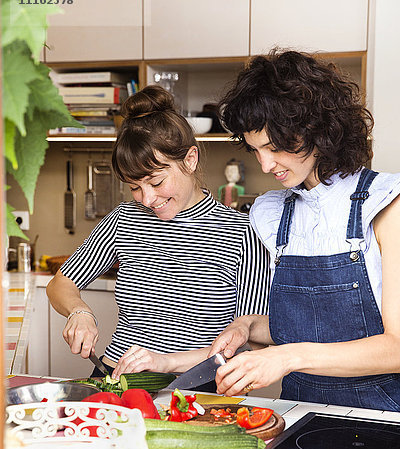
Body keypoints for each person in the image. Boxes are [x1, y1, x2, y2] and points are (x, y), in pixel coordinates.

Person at [208, 49, 400, 411]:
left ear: (317, 130)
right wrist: (247, 327)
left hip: (381, 420)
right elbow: (305, 326)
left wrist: (286, 358)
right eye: (255, 150)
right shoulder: (272, 215)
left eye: (274, 147)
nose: (265, 164)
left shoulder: (385, 203)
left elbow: (397, 348)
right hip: (298, 413)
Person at [46, 85, 270, 383]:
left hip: (196, 388)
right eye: (135, 187)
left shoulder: (243, 233)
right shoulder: (123, 220)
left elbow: (249, 344)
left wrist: (164, 362)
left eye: (156, 182)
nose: (147, 199)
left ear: (190, 160)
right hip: (115, 378)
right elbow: (60, 284)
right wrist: (79, 312)